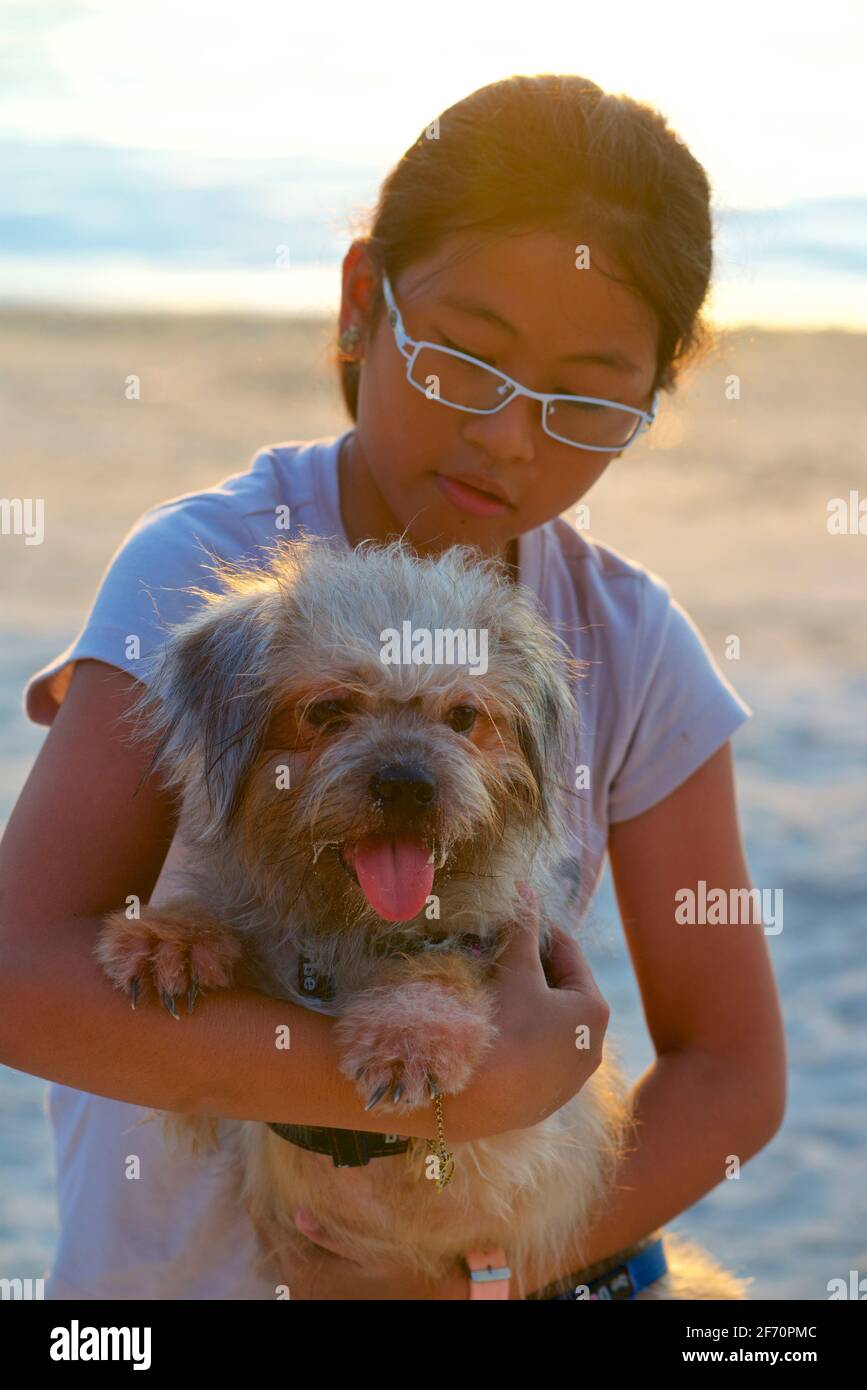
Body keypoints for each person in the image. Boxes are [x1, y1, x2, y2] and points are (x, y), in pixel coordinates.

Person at [0, 72, 785, 1301]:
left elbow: (735, 1071)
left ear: (653, 397)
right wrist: (486, 1083)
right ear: (365, 303)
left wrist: (474, 1274)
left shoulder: (633, 645)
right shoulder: (196, 574)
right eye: (466, 360)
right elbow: (18, 978)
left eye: (584, 398)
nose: (508, 438)